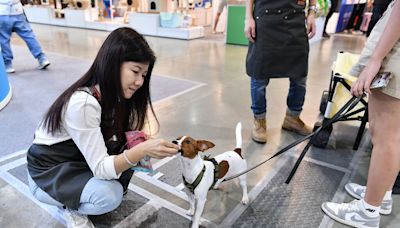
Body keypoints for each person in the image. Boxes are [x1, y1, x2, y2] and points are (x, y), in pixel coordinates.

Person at [26, 27, 179, 228]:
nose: (140, 82)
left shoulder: (115, 95)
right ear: (114, 64)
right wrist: (140, 150)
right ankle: (72, 207)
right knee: (109, 196)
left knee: (125, 164)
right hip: (48, 175)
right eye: (135, 71)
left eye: (144, 74)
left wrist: (140, 144)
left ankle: (78, 195)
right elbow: (100, 168)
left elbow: (114, 143)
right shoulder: (83, 103)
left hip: (74, 161)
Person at [322, 1, 399, 228]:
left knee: (386, 138)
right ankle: (381, 196)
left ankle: (368, 210)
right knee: (391, 136)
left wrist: (375, 60)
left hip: (395, 51)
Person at [244, 0, 317, 143]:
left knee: (299, 75)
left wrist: (312, 13)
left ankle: (292, 118)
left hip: (295, 18)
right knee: (259, 76)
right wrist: (248, 18)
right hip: (265, 17)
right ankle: (259, 121)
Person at [0, 0, 50, 73]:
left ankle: (8, 65)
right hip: (17, 11)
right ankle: (42, 58)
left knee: (4, 39)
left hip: (2, 12)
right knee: (29, 35)